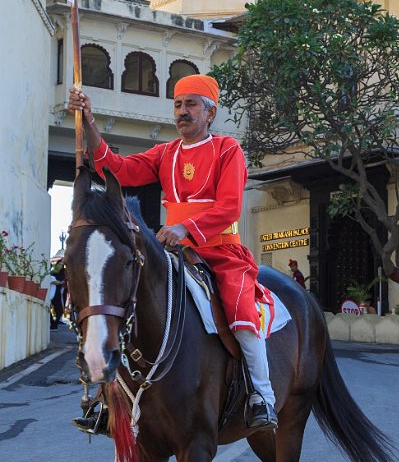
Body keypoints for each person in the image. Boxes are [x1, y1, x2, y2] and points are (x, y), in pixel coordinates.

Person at [67, 74, 278, 431]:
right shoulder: (166, 153)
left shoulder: (228, 149)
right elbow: (117, 169)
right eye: (178, 105)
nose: (182, 112)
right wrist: (89, 124)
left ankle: (262, 396)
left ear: (210, 112)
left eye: (191, 104)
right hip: (172, 251)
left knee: (241, 311)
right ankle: (108, 400)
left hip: (220, 251)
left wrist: (185, 228)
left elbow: (229, 207)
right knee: (128, 302)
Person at [49, 255, 66, 330]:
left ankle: (55, 324)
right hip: (51, 292)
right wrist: (53, 281)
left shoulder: (63, 274)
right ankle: (52, 323)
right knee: (48, 308)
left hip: (58, 293)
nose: (60, 266)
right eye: (59, 264)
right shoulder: (52, 272)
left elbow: (60, 282)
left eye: (62, 265)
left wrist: (56, 282)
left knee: (59, 310)